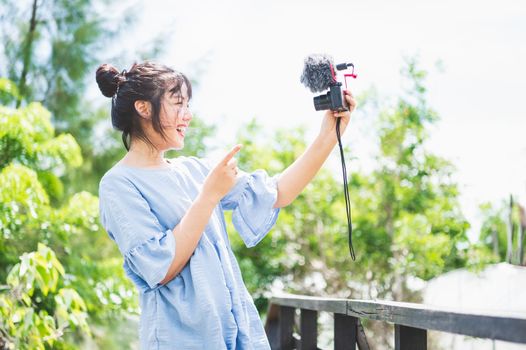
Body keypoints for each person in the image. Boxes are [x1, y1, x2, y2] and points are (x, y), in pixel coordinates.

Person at [96, 61, 356, 349]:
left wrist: (328, 135)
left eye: (188, 105)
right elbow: (160, 267)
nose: (188, 116)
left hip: (237, 337)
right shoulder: (118, 183)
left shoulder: (195, 170)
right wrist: (209, 196)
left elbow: (277, 193)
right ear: (144, 108)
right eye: (178, 104)